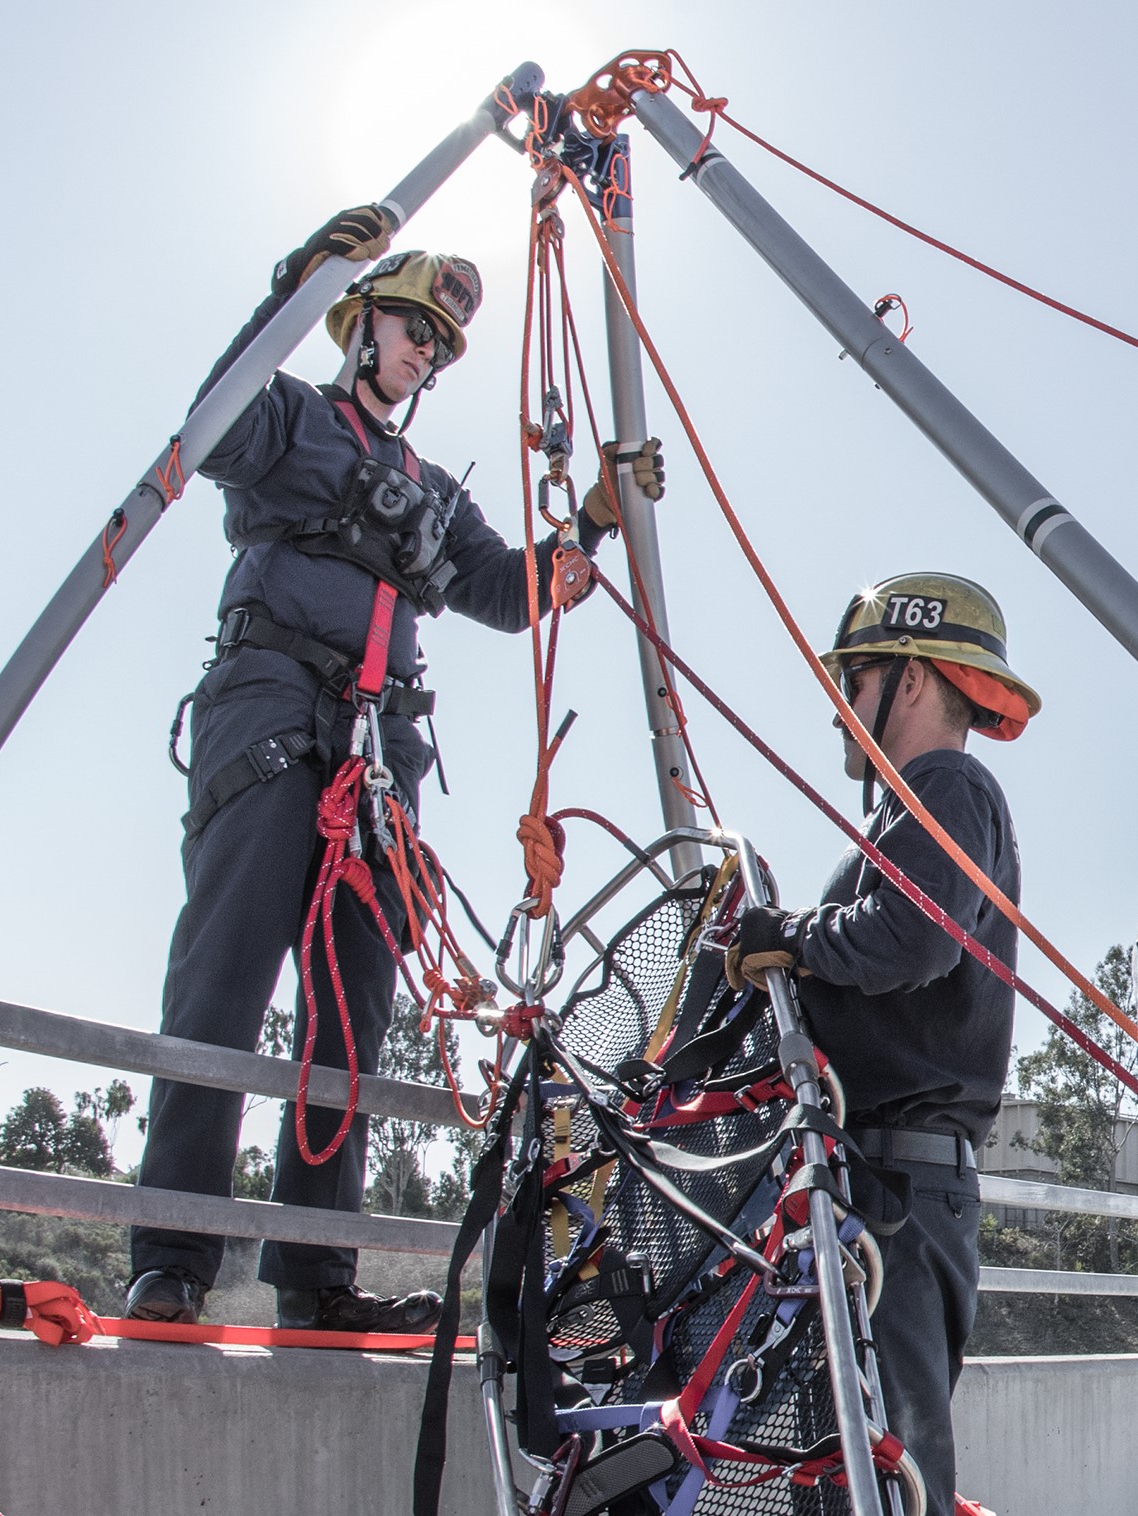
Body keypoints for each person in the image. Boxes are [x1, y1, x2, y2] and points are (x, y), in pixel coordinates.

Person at [126, 205, 664, 1332]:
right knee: (225, 977)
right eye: (412, 327)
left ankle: (315, 1276)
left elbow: (505, 593)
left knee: (351, 1006)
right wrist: (300, 279)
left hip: (378, 752)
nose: (424, 350)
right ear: (359, 322)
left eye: (439, 342)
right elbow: (209, 431)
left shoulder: (432, 491)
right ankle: (170, 1255)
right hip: (272, 713)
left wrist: (592, 524)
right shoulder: (286, 417)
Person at [725, 573, 1040, 1516]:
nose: (840, 712)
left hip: (897, 1194)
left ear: (910, 678)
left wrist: (791, 939)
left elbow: (913, 938)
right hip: (886, 1185)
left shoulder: (947, 785)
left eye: (854, 682)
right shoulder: (912, 811)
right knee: (856, 1467)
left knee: (888, 1475)